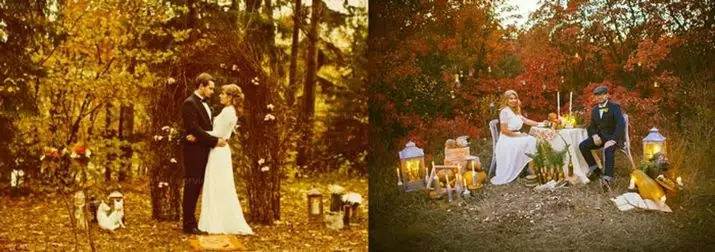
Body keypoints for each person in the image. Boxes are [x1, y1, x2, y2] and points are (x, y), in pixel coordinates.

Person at [187, 84, 253, 235]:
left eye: (223, 93)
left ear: (230, 97)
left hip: (219, 151)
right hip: (217, 150)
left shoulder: (229, 112)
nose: (220, 95)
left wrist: (197, 135)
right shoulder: (227, 111)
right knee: (215, 185)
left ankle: (218, 222)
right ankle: (217, 220)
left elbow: (218, 133)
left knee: (218, 185)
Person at [181, 73, 226, 235]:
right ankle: (188, 224)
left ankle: (193, 222)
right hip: (194, 153)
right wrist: (214, 141)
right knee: (192, 186)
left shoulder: (207, 104)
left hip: (205, 151)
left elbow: (204, 129)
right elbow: (194, 128)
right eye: (210, 88)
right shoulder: (189, 103)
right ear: (201, 86)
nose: (213, 91)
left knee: (198, 186)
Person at [579, 85, 626, 188]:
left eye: (602, 94)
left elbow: (620, 124)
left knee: (608, 149)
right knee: (583, 146)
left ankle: (608, 178)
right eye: (597, 95)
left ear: (607, 95)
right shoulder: (595, 110)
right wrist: (594, 135)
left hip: (614, 137)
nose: (599, 97)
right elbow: (592, 126)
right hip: (601, 138)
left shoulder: (615, 107)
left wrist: (613, 140)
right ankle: (595, 170)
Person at [491, 90, 540, 185]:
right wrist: (519, 135)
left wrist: (540, 123)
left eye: (515, 98)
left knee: (532, 140)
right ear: (506, 100)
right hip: (507, 139)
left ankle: (531, 167)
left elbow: (526, 120)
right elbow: (504, 130)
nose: (513, 101)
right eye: (511, 98)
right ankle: (531, 169)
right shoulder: (504, 112)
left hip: (515, 136)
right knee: (530, 140)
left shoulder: (516, 110)